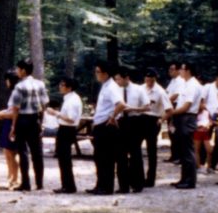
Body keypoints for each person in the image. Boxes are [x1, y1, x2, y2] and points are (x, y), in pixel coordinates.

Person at [165, 62, 204, 190]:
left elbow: (186, 106)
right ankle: (184, 178)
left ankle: (190, 180)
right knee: (182, 150)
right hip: (181, 117)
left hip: (187, 117)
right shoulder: (185, 84)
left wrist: (171, 112)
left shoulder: (193, 85)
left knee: (188, 150)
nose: (179, 71)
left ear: (188, 71)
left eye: (181, 69)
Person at [10, 59, 47, 192]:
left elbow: (16, 108)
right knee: (37, 152)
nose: (16, 71)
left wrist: (13, 126)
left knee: (23, 152)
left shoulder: (19, 86)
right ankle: (40, 182)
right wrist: (41, 122)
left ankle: (26, 183)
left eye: (18, 69)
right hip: (35, 119)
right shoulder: (40, 84)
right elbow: (44, 104)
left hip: (22, 119)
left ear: (23, 70)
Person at [88, 61, 123, 195]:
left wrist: (112, 116)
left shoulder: (112, 87)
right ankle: (100, 184)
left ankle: (107, 187)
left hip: (106, 127)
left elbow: (121, 104)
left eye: (98, 72)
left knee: (106, 158)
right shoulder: (104, 86)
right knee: (99, 157)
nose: (96, 74)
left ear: (105, 73)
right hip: (100, 125)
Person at [113, 66, 148, 194]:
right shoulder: (116, 90)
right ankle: (123, 185)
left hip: (135, 121)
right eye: (115, 79)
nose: (117, 82)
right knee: (120, 154)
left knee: (135, 153)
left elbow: (147, 107)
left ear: (126, 78)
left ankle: (137, 183)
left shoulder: (139, 89)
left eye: (119, 79)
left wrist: (133, 109)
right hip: (121, 121)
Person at [46, 77, 81, 194]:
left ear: (69, 88)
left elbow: (71, 119)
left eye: (62, 85)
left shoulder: (72, 100)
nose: (60, 87)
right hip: (65, 129)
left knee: (65, 158)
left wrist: (55, 113)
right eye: (60, 84)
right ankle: (66, 184)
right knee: (62, 158)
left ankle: (69, 186)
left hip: (67, 129)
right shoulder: (69, 98)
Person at [0, 71, 21, 190]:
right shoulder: (13, 93)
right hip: (8, 122)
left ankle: (14, 178)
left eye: (7, 80)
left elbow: (16, 112)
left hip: (13, 123)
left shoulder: (17, 92)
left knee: (12, 152)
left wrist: (1, 114)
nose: (6, 82)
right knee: (7, 152)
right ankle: (10, 176)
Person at [139, 68, 170, 187]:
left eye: (151, 79)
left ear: (155, 79)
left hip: (153, 120)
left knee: (151, 151)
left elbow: (169, 110)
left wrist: (161, 120)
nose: (148, 81)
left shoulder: (160, 92)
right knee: (136, 148)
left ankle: (150, 178)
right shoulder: (140, 89)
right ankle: (138, 176)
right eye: (147, 79)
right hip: (141, 119)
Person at [164, 62, 184, 163]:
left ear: (178, 70)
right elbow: (167, 92)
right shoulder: (173, 81)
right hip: (169, 105)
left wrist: (166, 103)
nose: (170, 71)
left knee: (176, 131)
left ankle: (179, 156)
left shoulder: (180, 81)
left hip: (176, 106)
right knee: (171, 132)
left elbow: (176, 95)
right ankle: (174, 155)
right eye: (169, 69)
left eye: (172, 69)